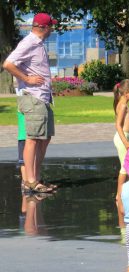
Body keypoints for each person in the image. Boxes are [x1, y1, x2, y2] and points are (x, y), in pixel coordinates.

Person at [3, 13, 58, 193]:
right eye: (51, 26)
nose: (52, 29)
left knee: (45, 137)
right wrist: (26, 78)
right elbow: (8, 64)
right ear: (43, 27)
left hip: (42, 98)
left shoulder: (38, 44)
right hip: (33, 97)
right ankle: (31, 180)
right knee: (33, 139)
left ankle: (36, 176)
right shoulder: (29, 42)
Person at [113, 79, 129, 243]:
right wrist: (126, 142)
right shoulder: (122, 105)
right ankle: (119, 195)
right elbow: (118, 126)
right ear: (126, 93)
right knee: (125, 168)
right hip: (122, 138)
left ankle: (124, 192)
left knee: (128, 167)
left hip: (125, 138)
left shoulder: (124, 103)